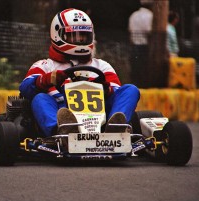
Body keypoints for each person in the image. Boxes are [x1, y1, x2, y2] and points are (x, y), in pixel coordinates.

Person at [19, 8, 140, 137]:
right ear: (57, 35)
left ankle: (116, 128)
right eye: (73, 35)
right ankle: (62, 133)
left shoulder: (102, 66)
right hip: (61, 111)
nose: (80, 40)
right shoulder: (45, 65)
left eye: (83, 36)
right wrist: (47, 80)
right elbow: (25, 89)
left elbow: (117, 93)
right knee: (40, 98)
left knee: (131, 89)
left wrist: (105, 88)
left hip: (100, 116)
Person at [128, 0, 153, 87]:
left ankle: (134, 86)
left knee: (135, 69)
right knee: (144, 69)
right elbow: (150, 32)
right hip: (144, 45)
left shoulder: (133, 15)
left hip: (134, 45)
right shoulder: (150, 16)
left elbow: (130, 31)